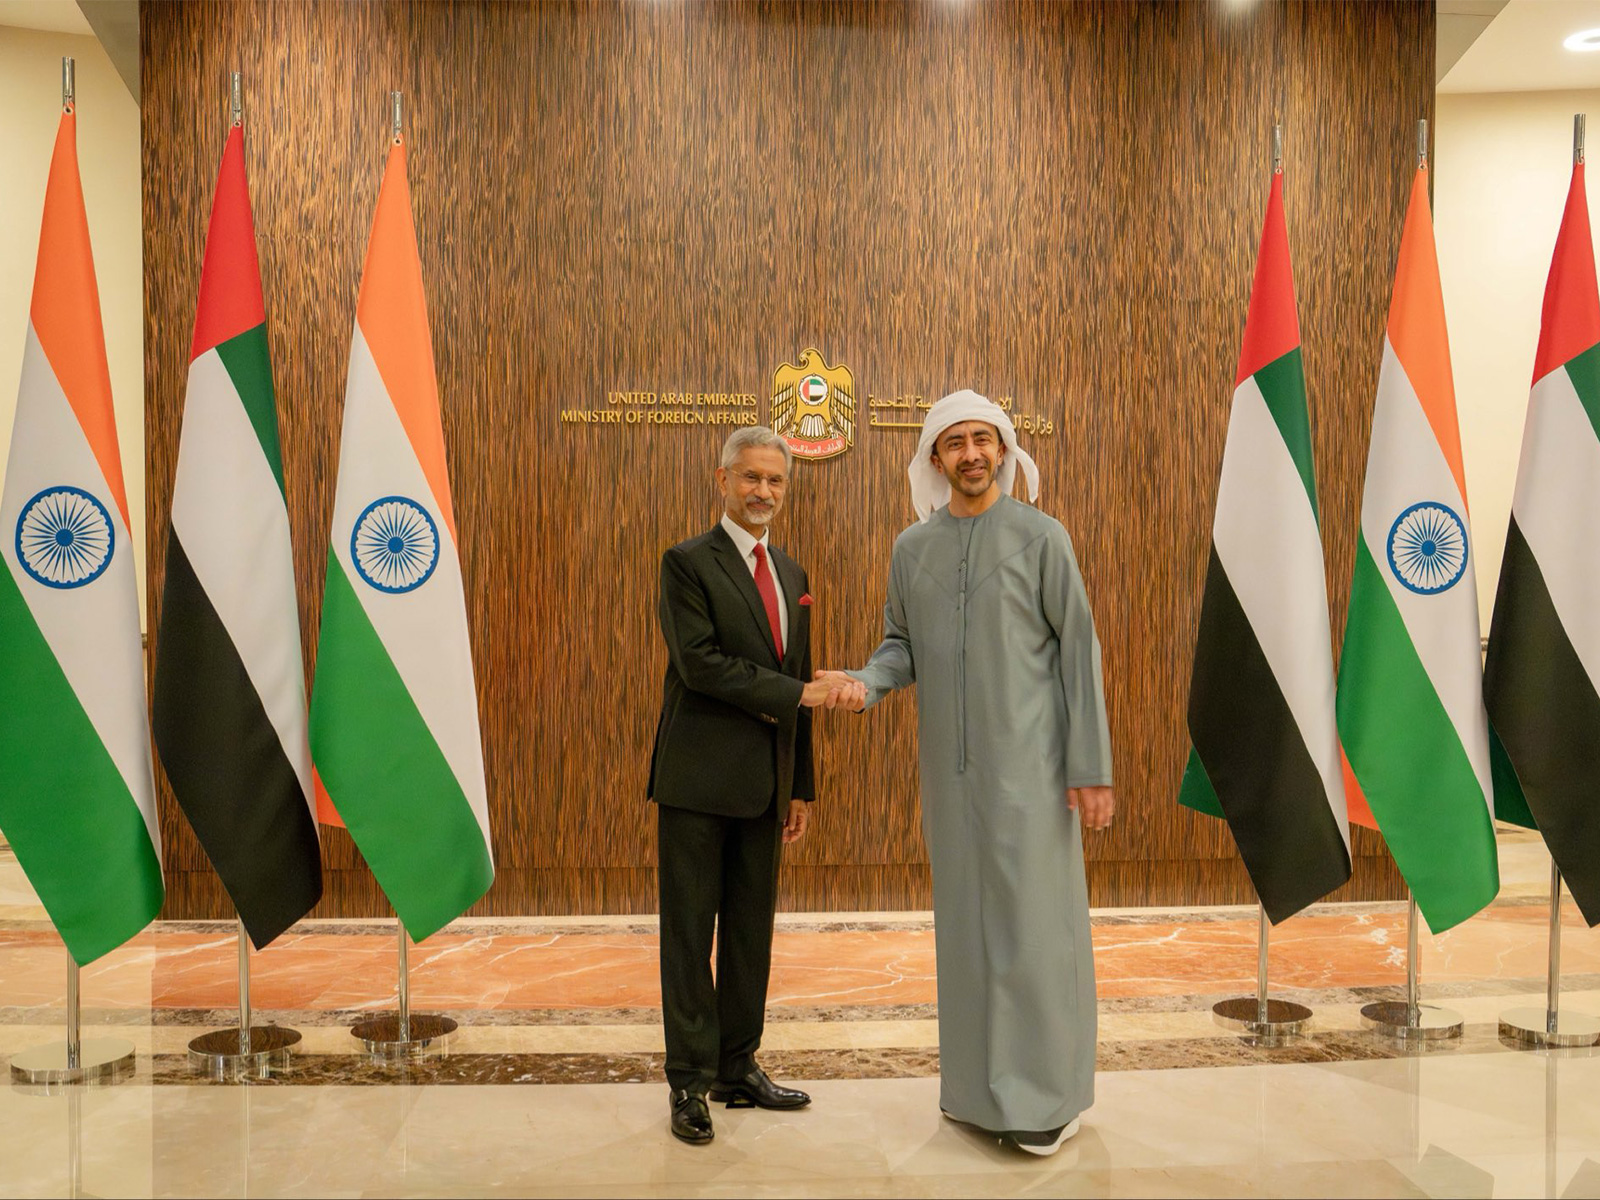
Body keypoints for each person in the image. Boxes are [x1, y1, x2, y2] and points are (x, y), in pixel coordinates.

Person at [819, 390, 1114, 1156]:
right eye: (956, 443)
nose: (972, 454)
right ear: (934, 459)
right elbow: (899, 648)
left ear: (1005, 451)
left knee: (1033, 931)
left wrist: (1090, 768)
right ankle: (977, 1094)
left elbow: (1078, 654)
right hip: (950, 784)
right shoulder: (911, 549)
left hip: (1035, 772)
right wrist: (864, 682)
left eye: (985, 439)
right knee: (967, 933)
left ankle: (1048, 1099)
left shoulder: (1044, 537)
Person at [650, 425, 862, 1146]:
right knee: (689, 937)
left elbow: (797, 680)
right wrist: (799, 696)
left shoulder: (793, 575)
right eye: (751, 478)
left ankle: (737, 1066)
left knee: (750, 935)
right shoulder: (686, 563)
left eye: (775, 481)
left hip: (767, 789)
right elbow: (701, 665)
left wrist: (800, 784)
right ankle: (688, 1081)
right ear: (722, 480)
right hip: (696, 782)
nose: (763, 492)